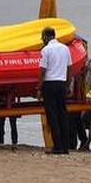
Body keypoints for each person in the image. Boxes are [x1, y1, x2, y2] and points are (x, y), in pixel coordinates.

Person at [37, 27, 72, 155]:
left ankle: (57, 146)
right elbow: (69, 69)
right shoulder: (65, 49)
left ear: (46, 36)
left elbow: (42, 71)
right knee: (63, 114)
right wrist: (68, 86)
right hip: (62, 84)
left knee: (52, 116)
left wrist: (39, 88)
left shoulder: (46, 50)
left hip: (50, 84)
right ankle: (65, 146)